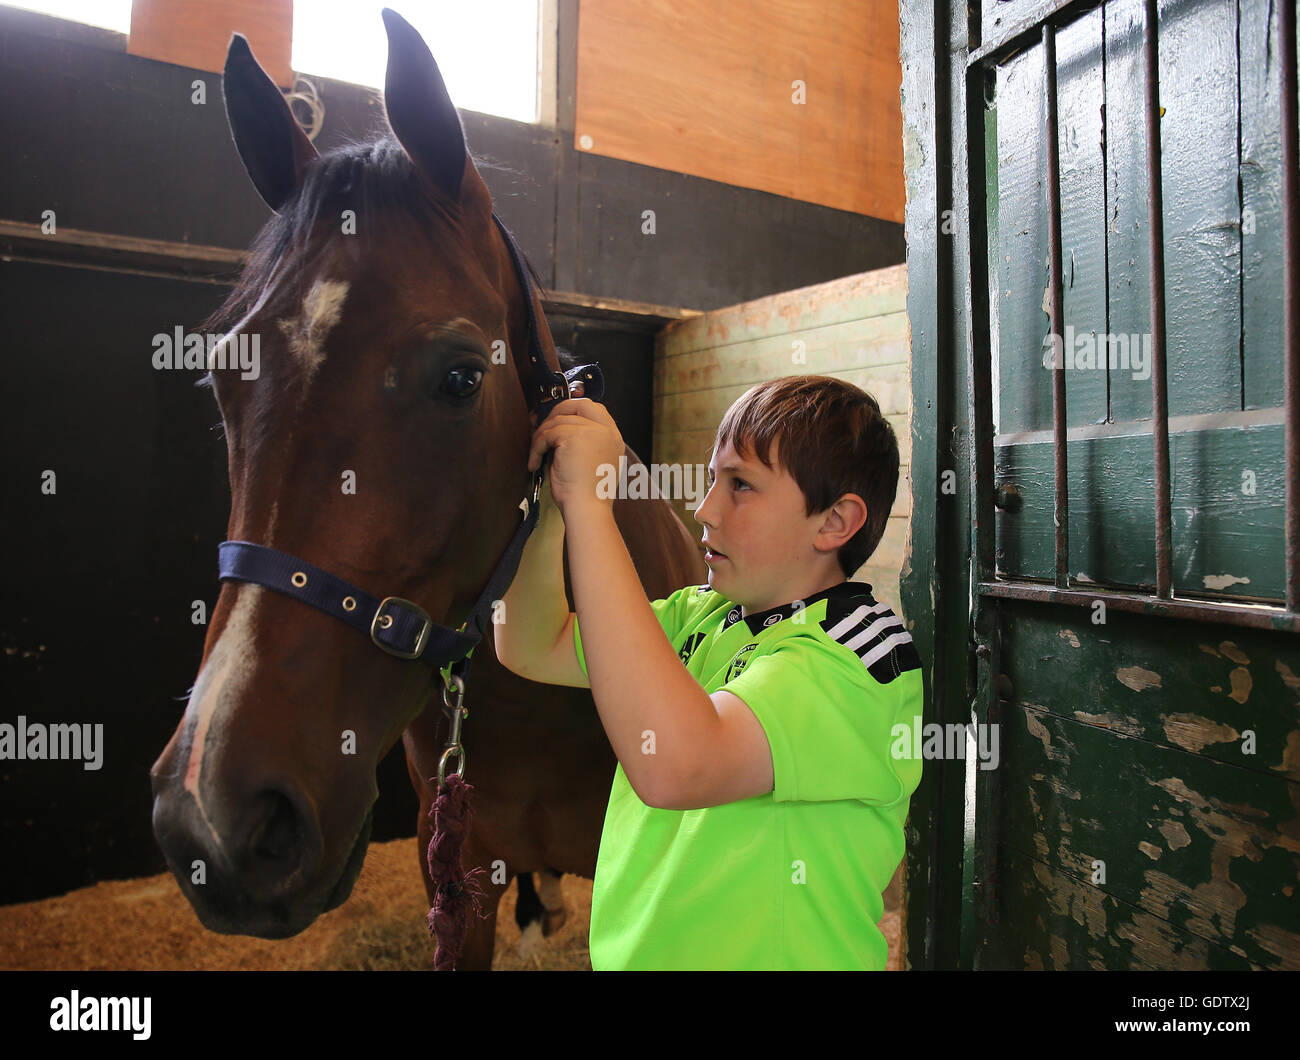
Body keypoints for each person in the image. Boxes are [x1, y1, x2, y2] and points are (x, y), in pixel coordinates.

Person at [494, 373, 924, 970]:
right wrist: (550, 510)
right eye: (713, 479)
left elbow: (679, 765)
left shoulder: (857, 657)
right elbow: (531, 643)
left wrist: (591, 509)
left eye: (741, 485)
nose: (705, 510)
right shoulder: (702, 613)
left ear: (833, 523)